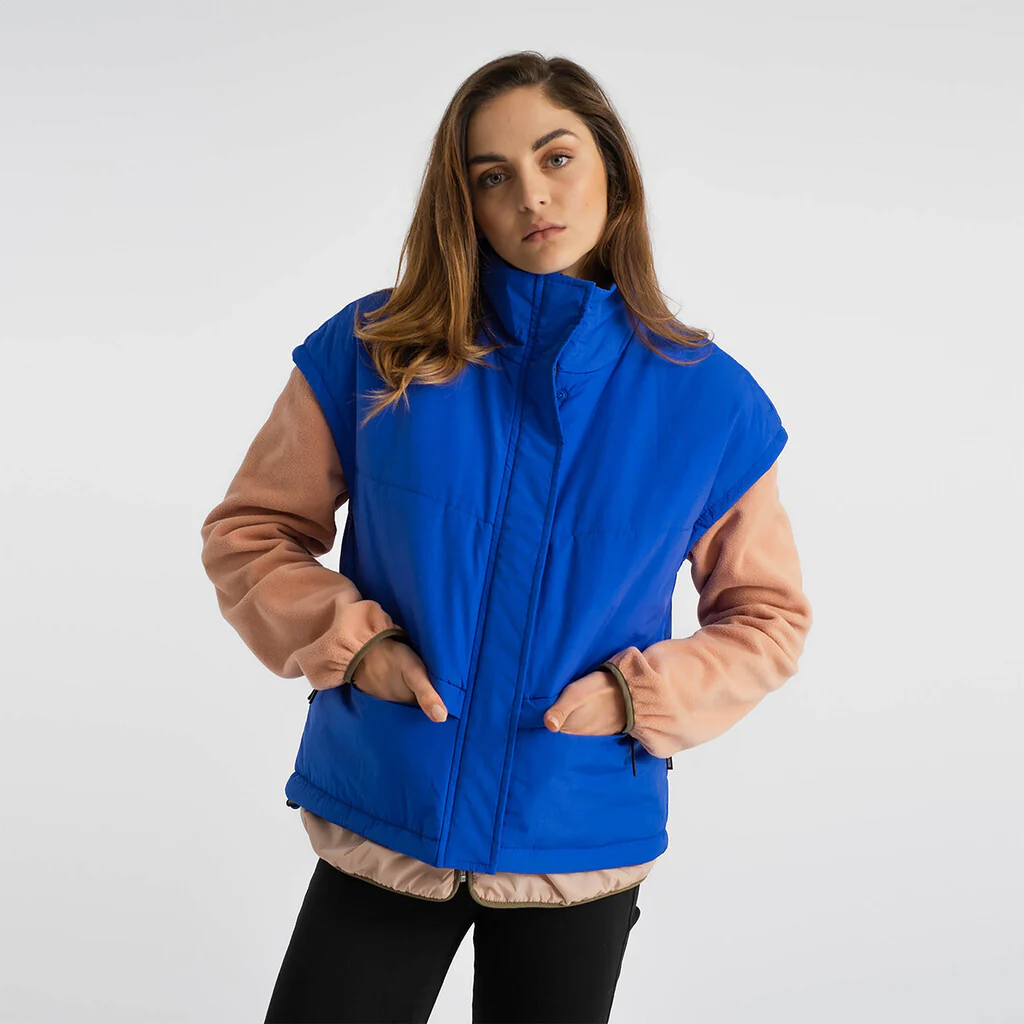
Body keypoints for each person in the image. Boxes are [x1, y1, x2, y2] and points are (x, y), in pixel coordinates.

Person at [200, 50, 812, 1024]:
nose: (532, 194)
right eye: (493, 176)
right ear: (465, 204)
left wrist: (637, 697)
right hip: (386, 807)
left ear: (611, 168)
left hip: (575, 830)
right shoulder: (372, 352)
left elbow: (767, 617)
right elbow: (251, 533)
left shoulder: (712, 403)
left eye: (556, 157)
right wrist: (356, 646)